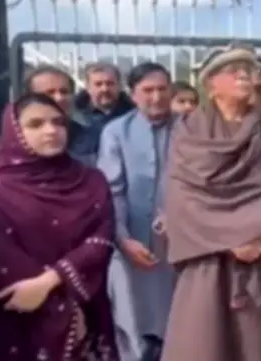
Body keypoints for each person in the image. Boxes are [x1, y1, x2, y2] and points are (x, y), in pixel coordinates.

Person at [160, 47, 261, 361]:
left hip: (259, 257)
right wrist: (232, 242)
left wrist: (260, 237)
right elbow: (183, 199)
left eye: (247, 69)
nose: (243, 75)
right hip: (207, 258)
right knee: (205, 340)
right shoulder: (189, 130)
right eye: (233, 70)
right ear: (211, 85)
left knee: (254, 343)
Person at [0, 93, 118, 360]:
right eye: (35, 124)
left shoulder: (91, 180)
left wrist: (54, 285)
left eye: (58, 122)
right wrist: (58, 309)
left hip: (85, 309)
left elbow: (100, 240)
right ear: (14, 132)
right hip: (18, 319)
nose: (51, 130)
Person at [97, 62, 176, 361]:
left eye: (162, 89)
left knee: (177, 322)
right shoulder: (117, 132)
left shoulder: (191, 128)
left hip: (180, 244)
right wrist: (123, 239)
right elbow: (111, 190)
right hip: (131, 244)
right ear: (132, 94)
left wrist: (179, 216)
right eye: (148, 90)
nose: (156, 97)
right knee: (133, 322)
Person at [25, 65, 99, 164]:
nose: (59, 98)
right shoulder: (17, 139)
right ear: (30, 98)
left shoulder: (91, 139)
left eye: (64, 92)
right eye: (50, 93)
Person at [74, 62, 134, 137]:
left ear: (119, 86)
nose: (105, 89)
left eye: (110, 83)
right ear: (88, 87)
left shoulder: (134, 114)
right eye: (98, 84)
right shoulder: (74, 115)